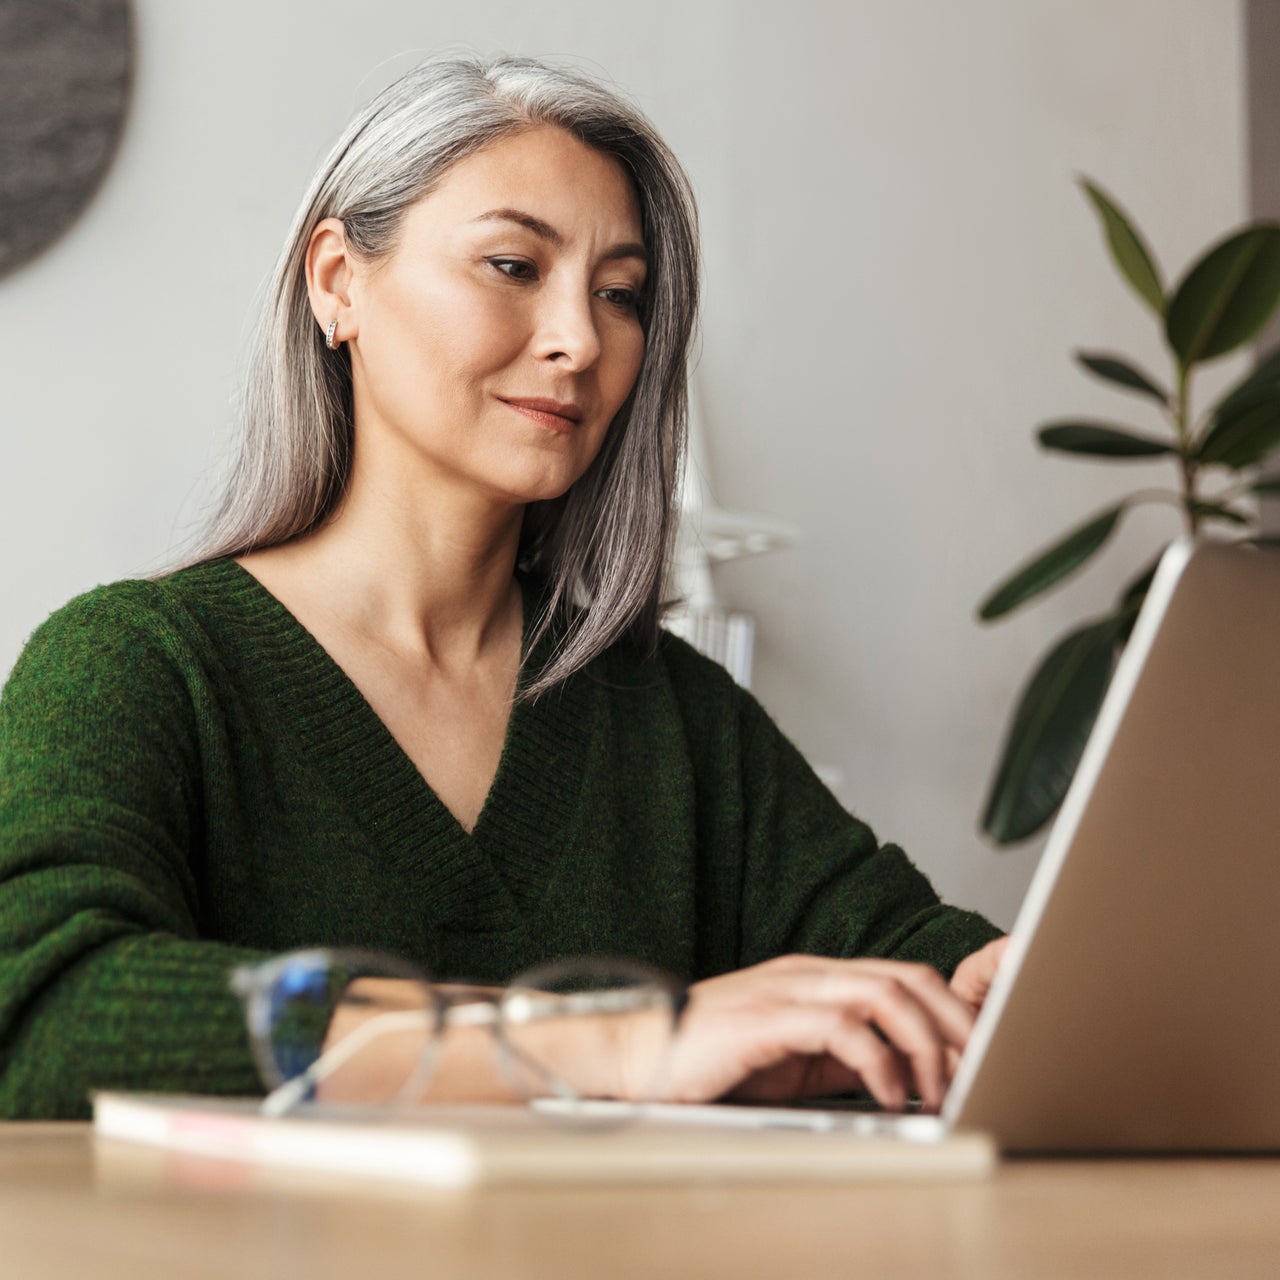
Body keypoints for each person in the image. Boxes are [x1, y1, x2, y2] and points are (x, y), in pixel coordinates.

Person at [0, 54, 1006, 1121]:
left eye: (619, 295)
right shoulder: (139, 666)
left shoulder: (674, 719)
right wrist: (613, 1039)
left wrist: (1005, 989)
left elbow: (914, 970)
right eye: (513, 266)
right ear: (339, 283)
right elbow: (42, 1007)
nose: (578, 340)